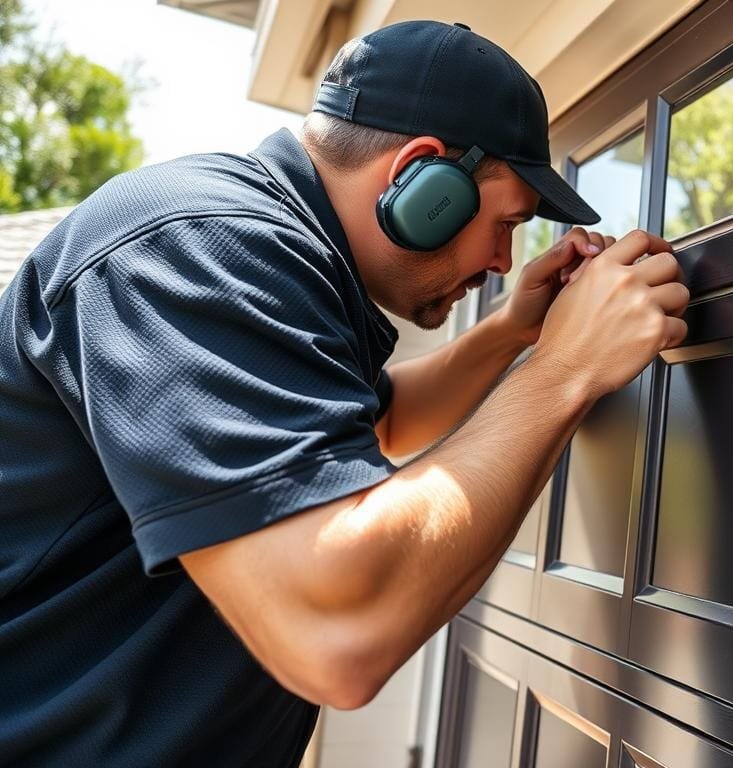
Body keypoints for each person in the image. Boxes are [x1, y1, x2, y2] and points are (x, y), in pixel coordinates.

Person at [0, 20, 688, 766]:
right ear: (426, 185)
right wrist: (564, 372)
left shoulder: (284, 256)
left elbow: (380, 421)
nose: (500, 261)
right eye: (506, 223)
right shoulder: (196, 246)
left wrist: (511, 336)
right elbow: (337, 632)